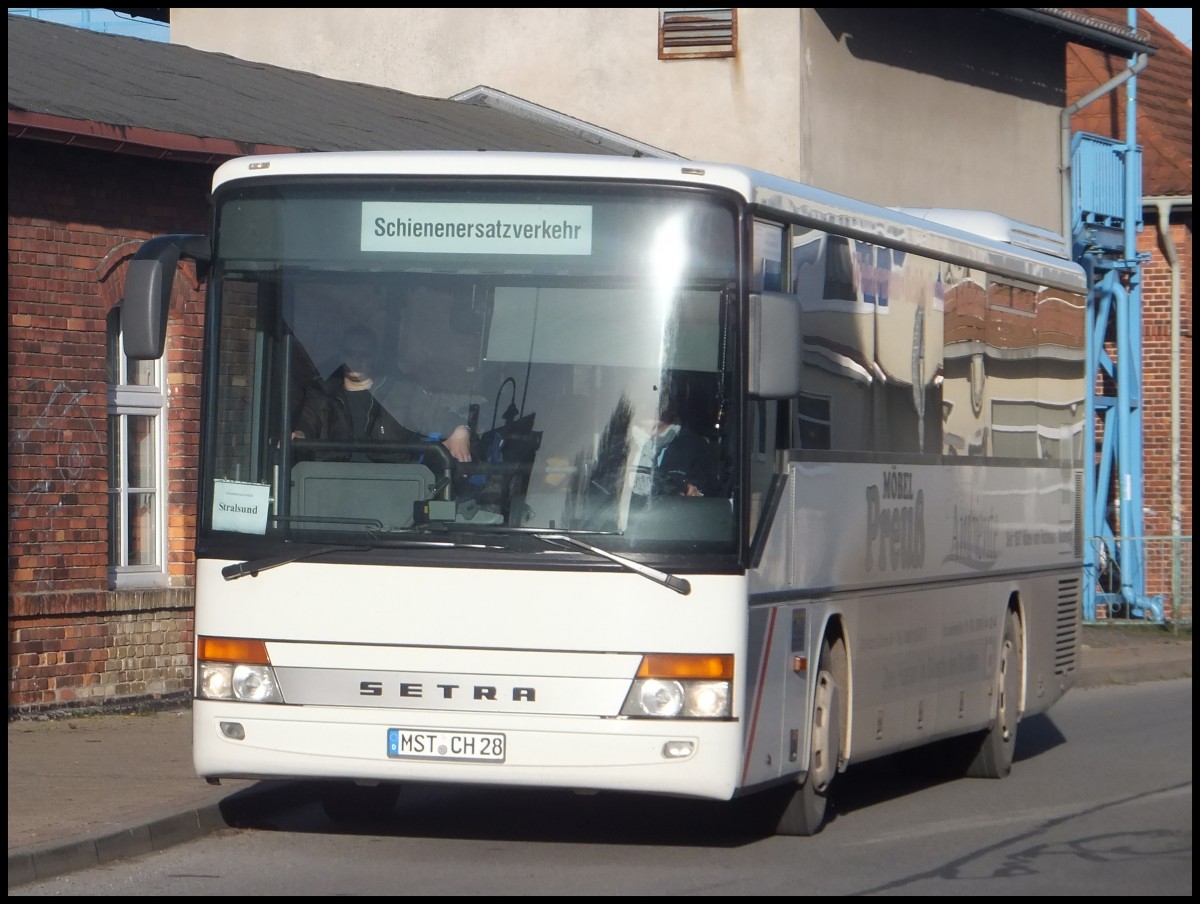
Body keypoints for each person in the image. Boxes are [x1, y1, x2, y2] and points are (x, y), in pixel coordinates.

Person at [291, 324, 472, 463]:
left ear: (375, 356)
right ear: (341, 355)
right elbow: (308, 421)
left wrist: (460, 429)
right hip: (325, 487)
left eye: (364, 354)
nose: (357, 359)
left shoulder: (403, 393)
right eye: (350, 353)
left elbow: (434, 416)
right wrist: (299, 435)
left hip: (392, 488)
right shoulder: (323, 393)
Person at [629, 396, 720, 504]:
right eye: (645, 401)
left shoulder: (696, 446)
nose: (653, 407)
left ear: (672, 406)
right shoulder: (619, 445)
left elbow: (712, 498)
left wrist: (695, 493)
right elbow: (606, 493)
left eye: (661, 401)